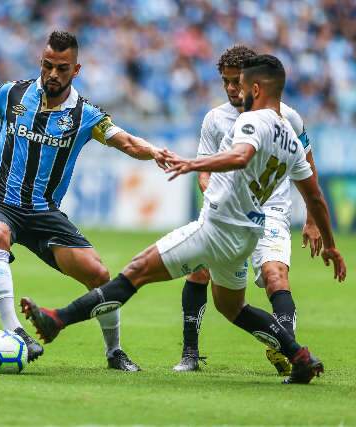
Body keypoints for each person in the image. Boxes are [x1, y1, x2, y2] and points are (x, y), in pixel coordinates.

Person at [20, 54, 347, 384]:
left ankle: (57, 320)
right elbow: (315, 195)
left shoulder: (251, 121)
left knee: (135, 272)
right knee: (232, 308)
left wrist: (193, 164)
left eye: (244, 86)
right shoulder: (290, 138)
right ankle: (300, 356)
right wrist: (331, 246)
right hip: (247, 233)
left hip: (217, 229)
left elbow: (241, 155)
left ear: (258, 88)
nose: (238, 92)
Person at [0, 31, 168, 371]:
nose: (53, 74)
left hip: (43, 212)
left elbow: (127, 142)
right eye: (48, 66)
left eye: (62, 68)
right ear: (40, 63)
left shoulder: (85, 114)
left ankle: (114, 352)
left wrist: (154, 152)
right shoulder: (11, 93)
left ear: (76, 70)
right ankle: (15, 330)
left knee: (99, 274)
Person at [174, 45, 322, 375]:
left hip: (270, 210)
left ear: (252, 82)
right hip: (226, 211)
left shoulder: (289, 116)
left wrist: (312, 220)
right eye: (224, 82)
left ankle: (288, 349)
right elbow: (205, 173)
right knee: (198, 270)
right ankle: (190, 354)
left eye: (235, 82)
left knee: (275, 277)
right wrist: (212, 193)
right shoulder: (214, 119)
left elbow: (308, 167)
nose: (230, 89)